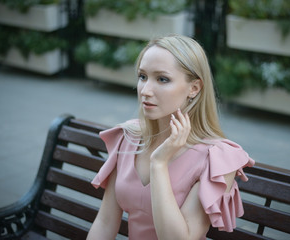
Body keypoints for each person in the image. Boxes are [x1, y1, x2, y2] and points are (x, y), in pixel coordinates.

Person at [87, 34, 254, 240]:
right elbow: (105, 222)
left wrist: (159, 163)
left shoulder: (216, 159)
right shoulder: (128, 137)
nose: (145, 90)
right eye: (142, 77)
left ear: (194, 88)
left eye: (162, 79)